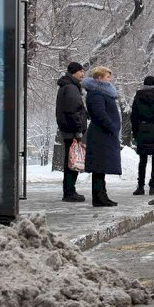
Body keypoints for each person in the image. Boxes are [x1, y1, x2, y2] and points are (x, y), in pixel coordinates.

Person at [81, 66, 121, 207]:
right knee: (99, 166)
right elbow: (99, 114)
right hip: (100, 134)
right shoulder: (96, 94)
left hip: (104, 133)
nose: (110, 79)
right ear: (99, 78)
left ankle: (102, 196)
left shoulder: (102, 93)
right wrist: (111, 126)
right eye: (107, 77)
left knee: (101, 167)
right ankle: (99, 197)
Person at [131, 76, 154, 195]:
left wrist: (135, 132)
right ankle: (153, 186)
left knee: (142, 159)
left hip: (143, 129)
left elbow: (134, 116)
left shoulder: (138, 97)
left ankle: (140, 186)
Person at [56, 62, 88, 202]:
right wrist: (79, 130)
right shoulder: (71, 88)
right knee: (72, 161)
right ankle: (69, 192)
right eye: (81, 71)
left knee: (70, 161)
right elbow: (73, 110)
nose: (83, 75)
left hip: (67, 129)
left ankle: (69, 190)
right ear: (74, 72)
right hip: (72, 131)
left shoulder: (67, 87)